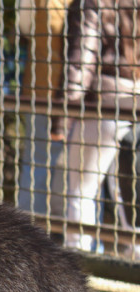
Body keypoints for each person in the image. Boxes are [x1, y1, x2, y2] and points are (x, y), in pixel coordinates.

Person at [51, 0, 140, 251]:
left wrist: (61, 119)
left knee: (81, 193)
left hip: (103, 106)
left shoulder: (94, 2)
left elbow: (81, 61)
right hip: (134, 103)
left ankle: (78, 266)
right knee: (127, 196)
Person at [16, 0, 71, 216]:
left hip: (43, 88)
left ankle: (28, 236)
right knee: (80, 175)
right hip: (90, 94)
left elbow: (25, 26)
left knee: (36, 163)